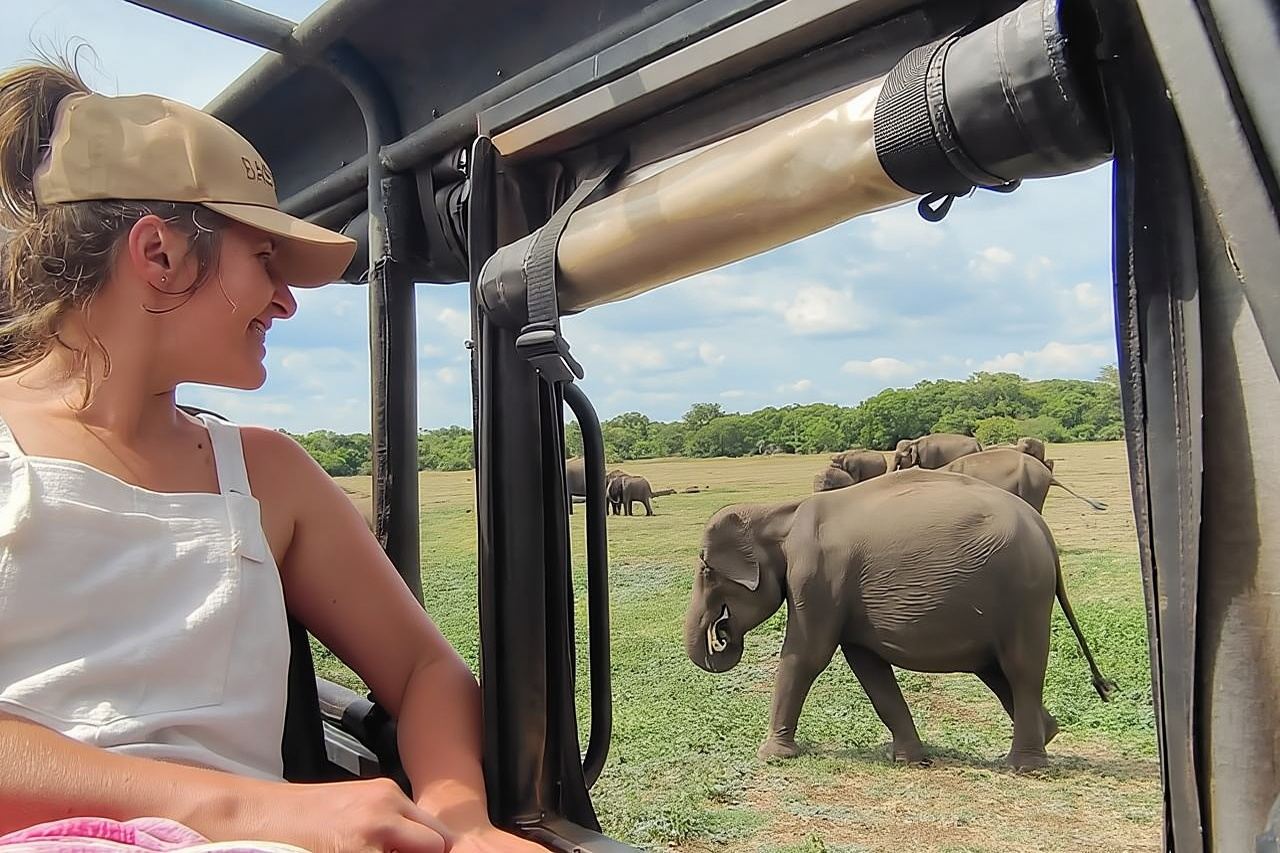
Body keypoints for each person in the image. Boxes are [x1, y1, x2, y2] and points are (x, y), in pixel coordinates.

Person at [0, 58, 542, 853]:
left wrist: (460, 823)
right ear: (159, 255)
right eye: (265, 261)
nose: (288, 299)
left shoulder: (267, 476)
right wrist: (246, 811)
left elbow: (427, 672)